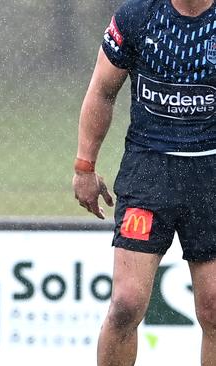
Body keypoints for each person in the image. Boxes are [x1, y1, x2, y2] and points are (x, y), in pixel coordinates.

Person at [73, 0, 216, 364]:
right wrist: (84, 167)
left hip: (210, 177)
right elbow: (102, 91)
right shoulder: (137, 16)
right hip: (149, 174)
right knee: (126, 304)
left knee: (214, 309)